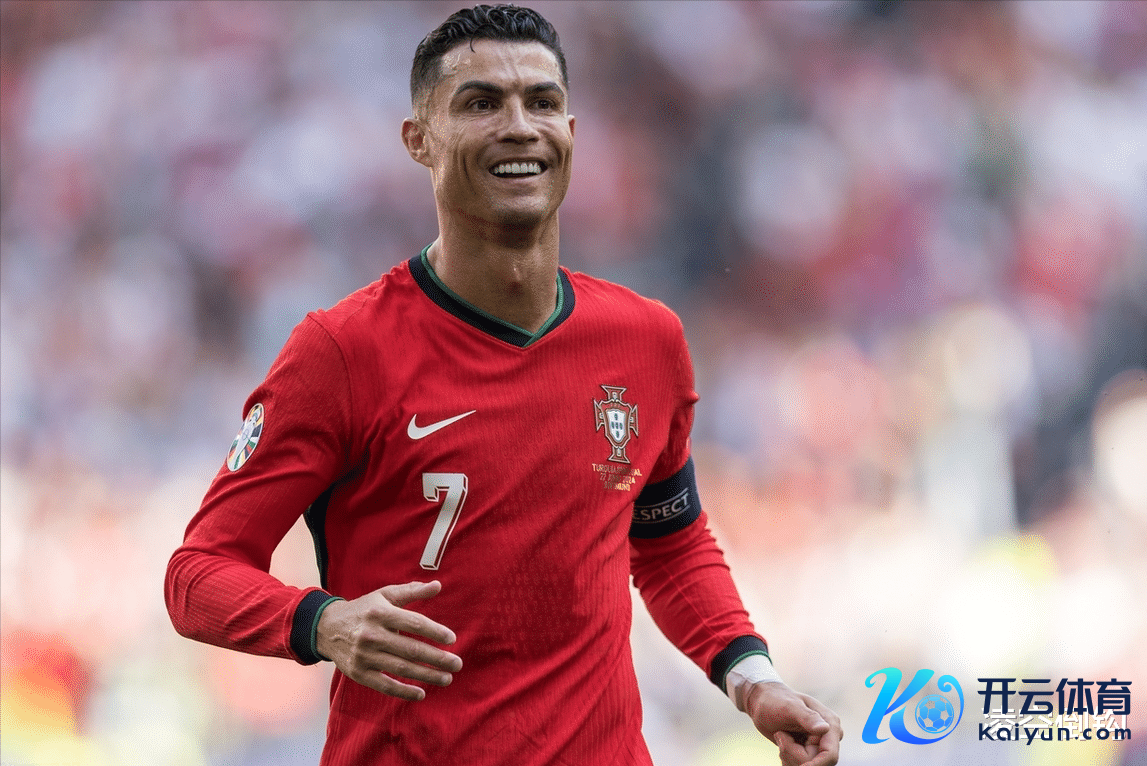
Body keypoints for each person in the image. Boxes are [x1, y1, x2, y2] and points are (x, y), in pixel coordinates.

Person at [164, 5, 843, 765]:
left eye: (541, 102)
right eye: (481, 103)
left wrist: (752, 678)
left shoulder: (646, 341)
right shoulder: (342, 351)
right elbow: (196, 576)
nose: (520, 127)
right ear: (419, 140)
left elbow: (668, 541)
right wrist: (321, 623)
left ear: (571, 134)